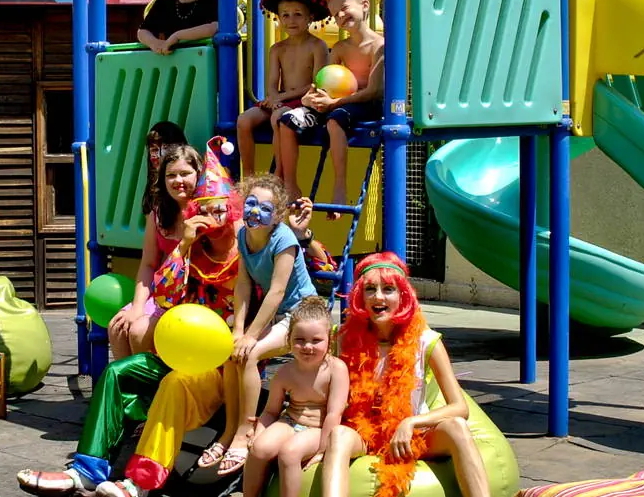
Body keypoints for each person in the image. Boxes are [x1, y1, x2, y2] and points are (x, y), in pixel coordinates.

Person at [16, 138, 245, 497]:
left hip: (220, 367)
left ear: (233, 211)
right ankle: (86, 471)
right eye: (205, 209)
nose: (214, 218)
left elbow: (292, 281)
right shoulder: (193, 249)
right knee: (117, 372)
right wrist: (184, 245)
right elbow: (165, 295)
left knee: (174, 384)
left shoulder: (248, 251)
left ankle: (138, 483)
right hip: (179, 351)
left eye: (220, 209)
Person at [319, 252, 492, 497]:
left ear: (403, 296)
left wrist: (410, 423)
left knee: (457, 427)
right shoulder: (342, 338)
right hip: (362, 432)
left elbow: (459, 407)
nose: (378, 297)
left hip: (414, 435)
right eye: (370, 289)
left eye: (388, 289)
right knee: (338, 436)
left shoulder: (426, 341)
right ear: (360, 296)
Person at [197, 174, 317, 475]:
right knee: (230, 352)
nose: (254, 211)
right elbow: (243, 284)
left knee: (249, 354)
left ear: (277, 216)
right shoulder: (244, 236)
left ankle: (245, 432)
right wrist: (238, 330)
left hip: (302, 315)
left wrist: (250, 336)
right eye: (251, 203)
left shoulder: (284, 240)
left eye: (264, 208)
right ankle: (228, 431)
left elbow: (276, 292)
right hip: (277, 316)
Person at [281, 0, 384, 213]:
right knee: (287, 120)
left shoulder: (380, 46)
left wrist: (333, 103)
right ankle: (289, 184)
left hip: (365, 106)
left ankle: (339, 187)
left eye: (345, 8)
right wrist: (311, 98)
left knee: (335, 120)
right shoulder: (339, 48)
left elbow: (375, 91)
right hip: (339, 104)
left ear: (365, 5)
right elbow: (323, 80)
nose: (341, 16)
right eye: (335, 14)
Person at [242, 296, 347, 497]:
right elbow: (271, 411)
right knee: (259, 450)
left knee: (289, 453)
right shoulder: (284, 373)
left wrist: (323, 450)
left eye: (316, 340)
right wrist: (258, 433)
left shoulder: (336, 369)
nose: (307, 346)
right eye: (299, 340)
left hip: (319, 428)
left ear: (329, 339)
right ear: (289, 339)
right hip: (290, 421)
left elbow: (334, 413)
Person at [107, 142, 203, 359]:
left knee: (139, 331)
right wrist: (137, 307)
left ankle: (152, 381)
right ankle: (128, 381)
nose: (178, 181)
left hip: (196, 294)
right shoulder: (158, 214)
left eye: (185, 174)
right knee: (117, 327)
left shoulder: (207, 212)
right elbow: (148, 264)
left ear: (198, 174)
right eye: (171, 175)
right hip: (166, 289)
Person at [239, 0, 330, 184]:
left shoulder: (318, 46)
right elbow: (272, 83)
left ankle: (281, 175)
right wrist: (273, 98)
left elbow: (316, 84)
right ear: (279, 18)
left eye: (298, 14)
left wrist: (279, 99)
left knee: (278, 117)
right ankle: (248, 177)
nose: (291, 20)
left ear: (310, 17)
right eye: (285, 15)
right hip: (281, 99)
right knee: (244, 120)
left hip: (305, 102)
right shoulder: (277, 49)